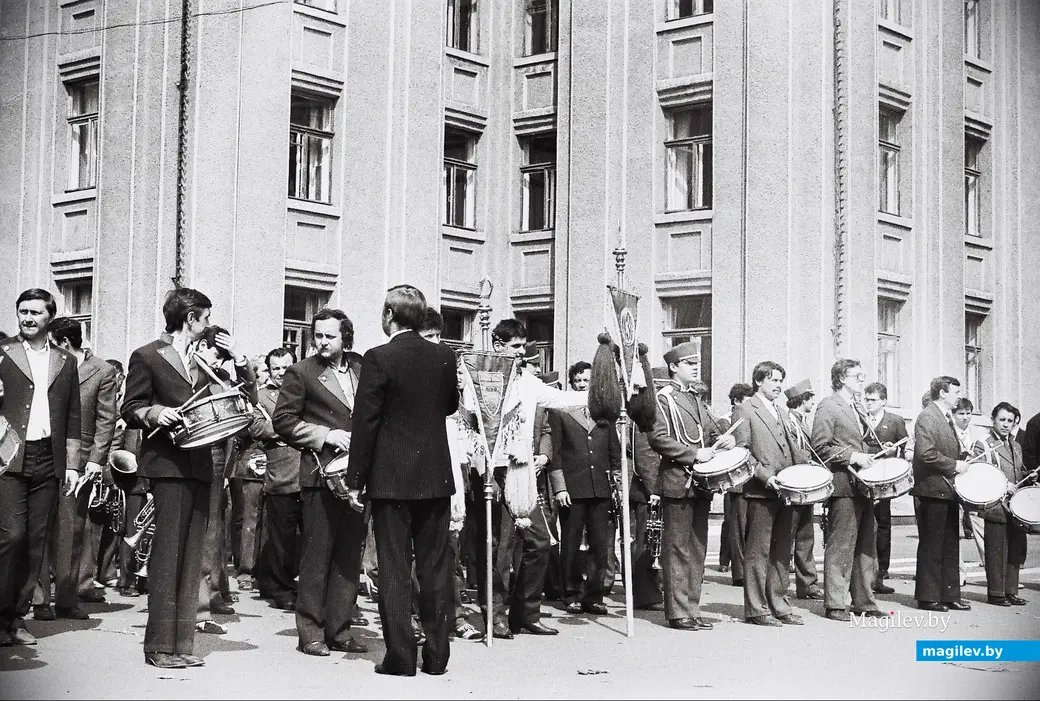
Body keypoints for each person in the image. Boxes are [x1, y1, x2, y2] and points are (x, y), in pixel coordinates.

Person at [344, 285, 458, 677]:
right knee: (435, 568)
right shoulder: (445, 356)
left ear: (389, 314)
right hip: (435, 477)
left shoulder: (379, 357)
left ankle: (401, 657)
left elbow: (366, 423)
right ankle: (437, 657)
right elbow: (450, 406)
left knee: (394, 568)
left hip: (391, 479)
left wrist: (355, 479)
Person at [121, 287, 220, 668]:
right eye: (205, 318)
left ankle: (181, 645)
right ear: (189, 318)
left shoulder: (203, 358)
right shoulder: (148, 355)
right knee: (167, 558)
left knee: (191, 560)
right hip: (168, 467)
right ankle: (159, 647)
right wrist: (155, 413)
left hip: (199, 467)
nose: (208, 325)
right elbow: (130, 407)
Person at [273, 308, 369, 657]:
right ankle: (310, 633)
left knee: (349, 556)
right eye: (318, 335)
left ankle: (339, 630)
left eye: (330, 336)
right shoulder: (301, 372)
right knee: (316, 556)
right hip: (320, 475)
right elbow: (283, 420)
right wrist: (326, 435)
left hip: (358, 476)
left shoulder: (362, 366)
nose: (322, 342)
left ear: (346, 337)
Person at [0, 289, 82, 647]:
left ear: (50, 317)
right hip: (9, 458)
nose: (28, 318)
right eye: (23, 312)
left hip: (48, 458)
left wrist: (73, 465)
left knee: (35, 542)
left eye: (35, 312)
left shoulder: (65, 360)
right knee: (11, 536)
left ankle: (16, 619)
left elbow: (74, 415)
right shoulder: (3, 353)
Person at [31, 317, 117, 621]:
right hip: (42, 454)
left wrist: (96, 459)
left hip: (80, 461)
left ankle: (67, 599)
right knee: (39, 528)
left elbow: (106, 418)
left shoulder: (102, 370)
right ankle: (40, 600)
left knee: (72, 530)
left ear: (65, 343)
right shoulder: (44, 364)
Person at [647, 342, 735, 631]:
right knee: (678, 549)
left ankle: (692, 609)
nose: (696, 367)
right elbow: (658, 438)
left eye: (696, 363)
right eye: (689, 363)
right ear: (673, 367)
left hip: (700, 484)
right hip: (677, 481)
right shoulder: (663, 399)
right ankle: (678, 612)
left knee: (697, 549)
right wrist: (695, 454)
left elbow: (710, 430)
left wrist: (725, 439)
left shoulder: (695, 398)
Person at [417, 309, 483, 641]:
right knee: (418, 554)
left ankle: (454, 615)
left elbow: (471, 427)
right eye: (427, 337)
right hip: (417, 476)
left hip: (452, 476)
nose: (434, 343)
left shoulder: (453, 379)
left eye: (437, 337)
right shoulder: (411, 374)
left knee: (451, 550)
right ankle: (417, 617)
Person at [733, 361, 808, 627]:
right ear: (759, 381)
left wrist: (806, 469)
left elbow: (793, 448)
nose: (778, 386)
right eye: (773, 380)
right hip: (761, 492)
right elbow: (742, 453)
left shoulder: (782, 412)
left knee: (781, 551)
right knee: (758, 552)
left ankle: (779, 605)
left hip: (786, 490)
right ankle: (756, 609)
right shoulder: (745, 409)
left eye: (780, 381)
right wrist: (766, 477)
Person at [810, 359, 884, 622]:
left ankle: (864, 601)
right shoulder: (828, 405)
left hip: (862, 486)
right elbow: (819, 447)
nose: (862, 380)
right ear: (841, 378)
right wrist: (853, 456)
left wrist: (875, 452)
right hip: (843, 485)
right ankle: (835, 603)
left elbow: (858, 442)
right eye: (857, 376)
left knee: (865, 546)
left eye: (863, 376)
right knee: (841, 546)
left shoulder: (857, 407)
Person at [547, 361, 620, 619]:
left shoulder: (604, 413)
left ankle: (594, 595)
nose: (582, 385)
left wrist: (618, 485)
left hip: (600, 488)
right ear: (571, 383)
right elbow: (555, 452)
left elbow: (614, 451)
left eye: (586, 380)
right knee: (571, 544)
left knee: (600, 545)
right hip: (572, 489)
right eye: (578, 381)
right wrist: (559, 488)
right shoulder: (561, 411)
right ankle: (572, 593)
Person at [911, 376, 972, 613]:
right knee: (932, 546)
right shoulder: (928, 416)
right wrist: (954, 464)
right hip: (932, 490)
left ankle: (949, 595)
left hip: (947, 490)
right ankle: (928, 597)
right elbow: (925, 453)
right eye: (955, 392)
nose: (958, 396)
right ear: (942, 393)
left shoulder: (944, 416)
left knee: (949, 545)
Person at [250, 347, 302, 611]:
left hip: (309, 474)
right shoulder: (261, 396)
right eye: (276, 368)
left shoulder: (304, 390)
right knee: (281, 539)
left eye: (286, 367)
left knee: (309, 538)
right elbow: (256, 426)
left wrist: (283, 429)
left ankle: (303, 586)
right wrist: (291, 427)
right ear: (269, 371)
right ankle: (281, 590)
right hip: (281, 475)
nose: (282, 372)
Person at [972, 403, 1030, 607]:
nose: (1006, 424)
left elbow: (1017, 472)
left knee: (1015, 548)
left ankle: (1011, 591)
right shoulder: (984, 444)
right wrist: (1005, 485)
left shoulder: (1016, 445)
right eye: (1002, 420)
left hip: (1015, 506)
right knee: (996, 549)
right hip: (996, 505)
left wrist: (1029, 477)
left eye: (1010, 421)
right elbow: (978, 472)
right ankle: (996, 593)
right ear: (993, 420)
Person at [859, 381, 909, 596]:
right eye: (866, 399)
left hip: (884, 480)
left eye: (873, 400)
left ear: (884, 401)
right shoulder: (859, 418)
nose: (868, 403)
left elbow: (904, 447)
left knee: (883, 525)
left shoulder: (895, 421)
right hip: (863, 478)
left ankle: (881, 573)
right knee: (863, 524)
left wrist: (893, 452)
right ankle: (863, 574)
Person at [784, 379, 823, 600]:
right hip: (793, 484)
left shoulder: (801, 421)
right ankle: (782, 586)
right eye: (811, 398)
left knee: (805, 536)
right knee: (788, 537)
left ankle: (807, 584)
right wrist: (809, 461)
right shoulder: (789, 421)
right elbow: (794, 452)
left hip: (804, 485)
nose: (813, 402)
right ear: (803, 399)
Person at [719, 382, 753, 584]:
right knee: (737, 528)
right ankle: (739, 573)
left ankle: (746, 570)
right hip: (736, 481)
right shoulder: (726, 421)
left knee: (748, 528)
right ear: (736, 401)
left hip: (751, 479)